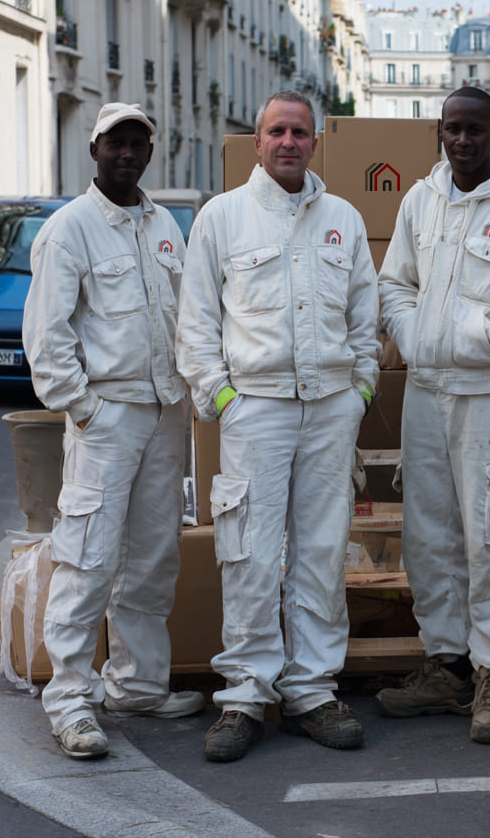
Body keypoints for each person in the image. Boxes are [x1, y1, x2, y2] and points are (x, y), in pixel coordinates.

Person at [175, 90, 379, 762]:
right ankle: (245, 693)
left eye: (299, 132)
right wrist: (223, 398)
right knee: (249, 554)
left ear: (314, 140)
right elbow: (197, 323)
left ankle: (312, 691)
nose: (288, 142)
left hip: (329, 409)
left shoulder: (343, 219)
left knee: (321, 554)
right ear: (257, 140)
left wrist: (360, 390)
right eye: (276, 131)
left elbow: (364, 319)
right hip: (254, 408)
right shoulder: (222, 218)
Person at [22, 102, 204, 760]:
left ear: (149, 153)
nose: (127, 153)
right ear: (94, 149)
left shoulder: (162, 225)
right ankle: (70, 701)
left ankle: (136, 684)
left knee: (153, 557)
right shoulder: (69, 230)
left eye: (138, 143)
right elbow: (47, 337)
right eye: (115, 143)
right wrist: (84, 408)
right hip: (107, 415)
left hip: (163, 414)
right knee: (88, 557)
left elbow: (184, 317)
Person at [375, 86, 490, 743]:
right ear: (439, 134)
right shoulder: (420, 201)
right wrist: (416, 337)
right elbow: (393, 283)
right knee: (429, 535)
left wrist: (476, 341)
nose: (464, 141)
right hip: (425, 392)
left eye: (476, 130)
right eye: (453, 129)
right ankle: (445, 664)